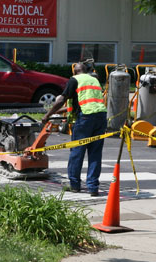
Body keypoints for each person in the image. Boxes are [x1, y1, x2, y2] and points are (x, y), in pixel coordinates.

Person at [42, 62, 107, 196]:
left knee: (77, 151)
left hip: (85, 119)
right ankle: (93, 187)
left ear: (75, 71)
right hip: (100, 118)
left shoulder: (75, 80)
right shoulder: (94, 80)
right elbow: (83, 102)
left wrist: (47, 115)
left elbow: (61, 100)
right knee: (95, 153)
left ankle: (75, 185)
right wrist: (59, 111)